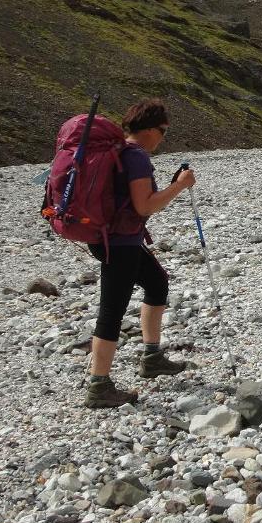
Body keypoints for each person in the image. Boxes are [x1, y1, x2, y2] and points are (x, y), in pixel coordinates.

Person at [85, 98, 196, 409]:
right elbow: (145, 205)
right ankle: (99, 385)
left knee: (157, 282)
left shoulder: (119, 151)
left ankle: (152, 357)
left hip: (117, 239)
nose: (163, 137)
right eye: (162, 130)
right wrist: (180, 186)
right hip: (119, 243)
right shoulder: (136, 157)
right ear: (148, 130)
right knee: (112, 311)